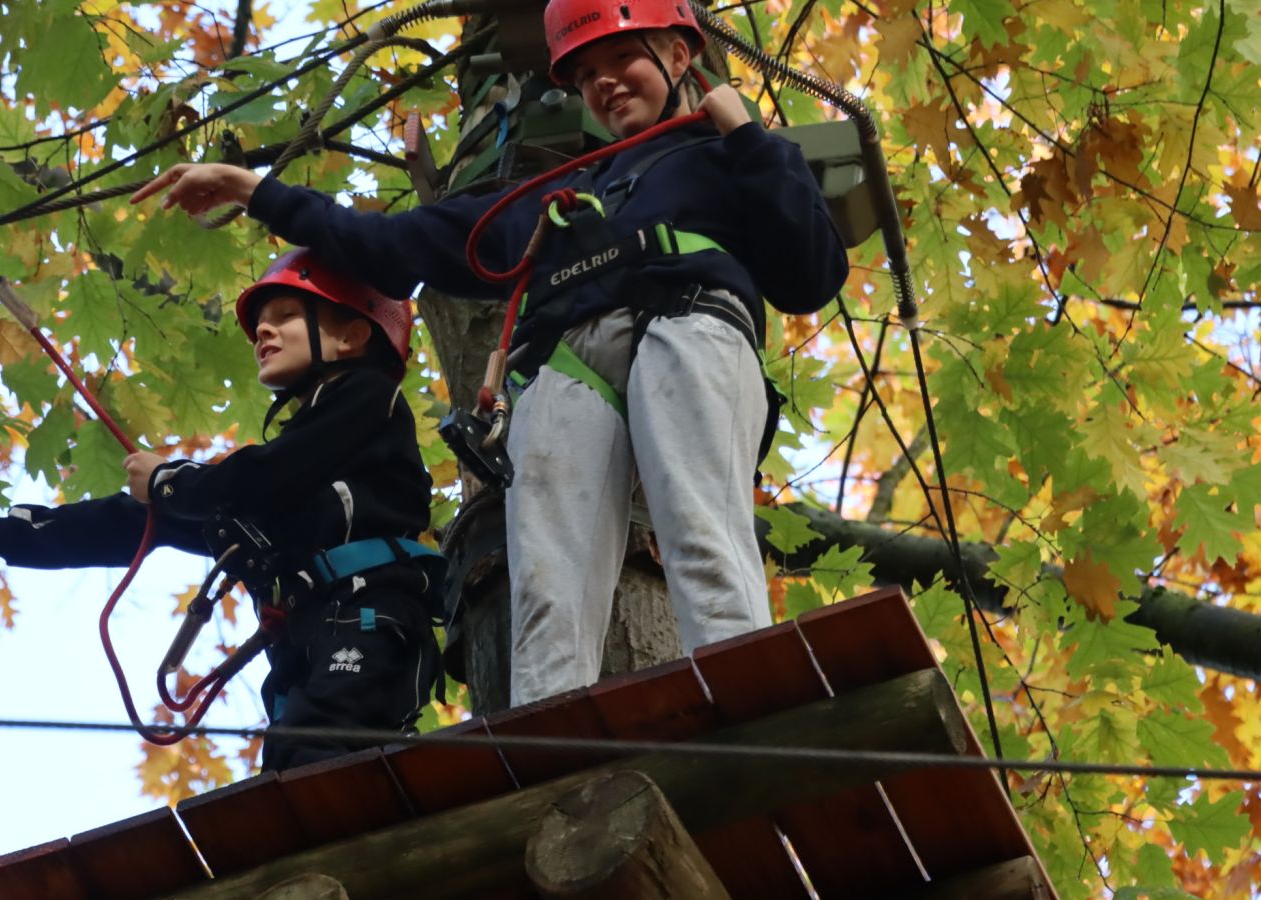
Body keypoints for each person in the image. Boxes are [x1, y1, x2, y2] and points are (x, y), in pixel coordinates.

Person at [127, 0, 849, 708]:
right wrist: (255, 191)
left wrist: (751, 140)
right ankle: (553, 740)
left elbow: (809, 276)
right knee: (548, 584)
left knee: (701, 530)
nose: (605, 82)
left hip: (687, 324)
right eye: (586, 74)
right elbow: (393, 244)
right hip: (570, 364)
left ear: (679, 54)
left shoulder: (725, 156)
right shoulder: (547, 202)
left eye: (624, 56)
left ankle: (755, 705)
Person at [0, 250, 443, 770]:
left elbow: (270, 472)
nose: (263, 332)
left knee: (312, 750)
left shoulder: (369, 398)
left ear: (351, 336)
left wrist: (171, 482)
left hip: (369, 619)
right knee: (290, 760)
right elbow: (129, 523)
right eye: (260, 323)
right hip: (312, 638)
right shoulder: (275, 499)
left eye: (287, 316)